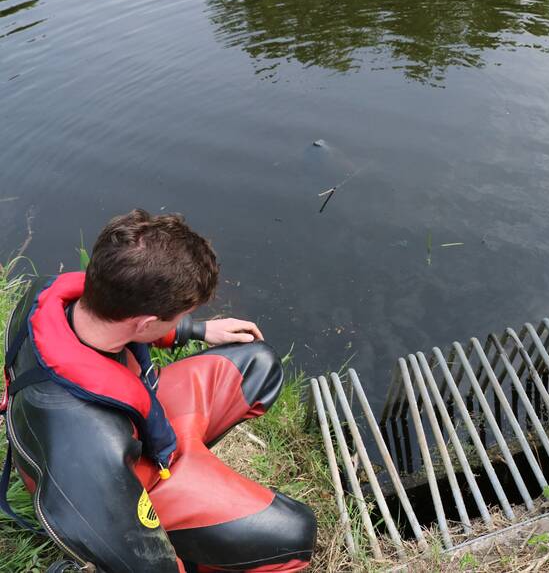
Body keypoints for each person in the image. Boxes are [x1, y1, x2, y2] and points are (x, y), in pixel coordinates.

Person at [1, 210, 316, 572]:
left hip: (136, 421)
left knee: (258, 366)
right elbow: (140, 559)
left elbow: (127, 324)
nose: (183, 319)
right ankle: (198, 544)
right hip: (116, 479)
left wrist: (194, 331)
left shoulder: (58, 297)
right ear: (146, 322)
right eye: (180, 315)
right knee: (294, 537)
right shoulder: (88, 441)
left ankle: (189, 461)